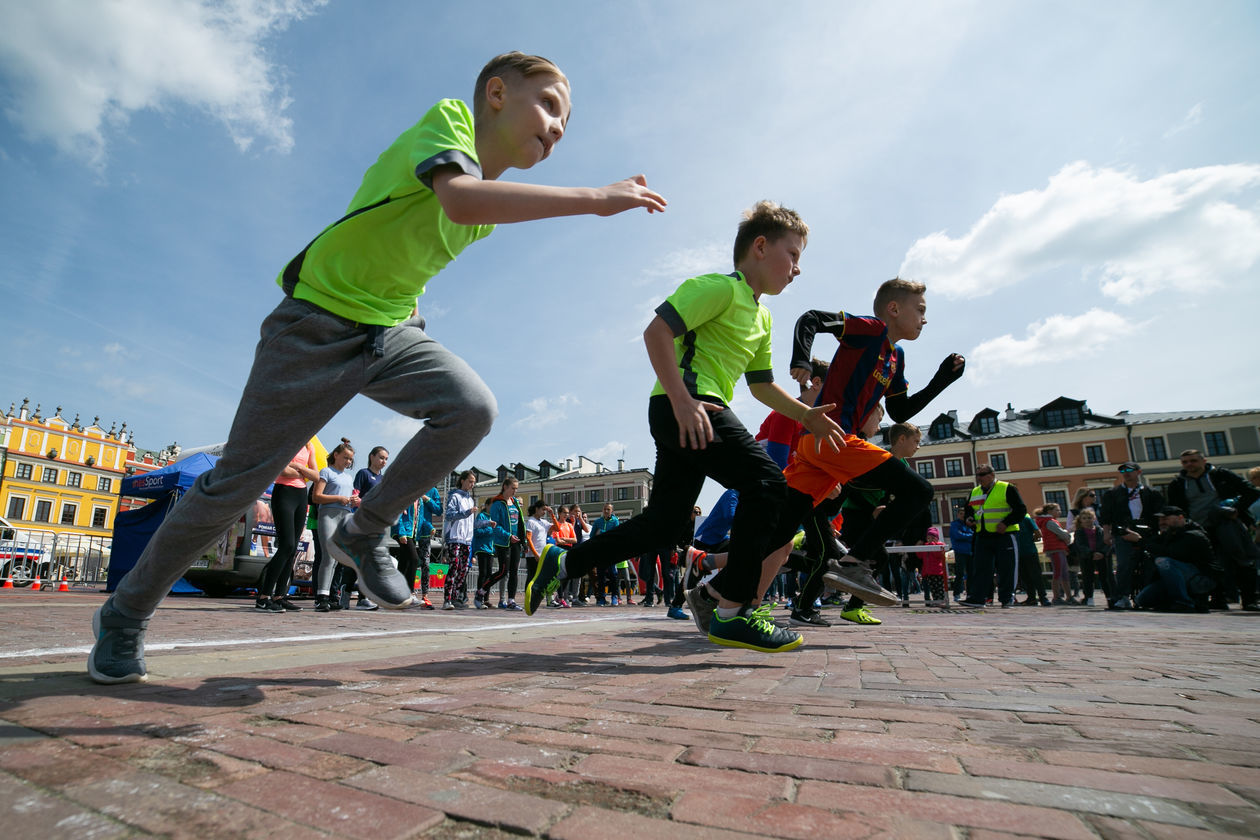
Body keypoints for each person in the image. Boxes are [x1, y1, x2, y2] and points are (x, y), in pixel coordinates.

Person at [88, 51, 666, 683]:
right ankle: (124, 615)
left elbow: (408, 249)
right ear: (496, 94)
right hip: (313, 327)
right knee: (231, 487)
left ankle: (364, 531)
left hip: (387, 333)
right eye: (550, 105)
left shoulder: (487, 215)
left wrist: (409, 317)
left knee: (471, 408)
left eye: (567, 120)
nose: (558, 127)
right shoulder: (449, 123)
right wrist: (596, 198)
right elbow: (462, 200)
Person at [525, 201, 845, 653]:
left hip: (697, 411)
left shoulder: (763, 316)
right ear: (759, 247)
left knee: (663, 527)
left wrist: (805, 415)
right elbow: (656, 332)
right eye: (793, 255)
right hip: (689, 406)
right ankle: (733, 609)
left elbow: (761, 385)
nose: (797, 269)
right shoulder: (717, 288)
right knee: (769, 486)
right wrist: (681, 399)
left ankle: (565, 561)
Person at [773, 277, 966, 615]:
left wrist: (942, 380)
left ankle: (713, 591)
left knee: (779, 530)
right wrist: (801, 358)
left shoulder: (896, 357)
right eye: (920, 310)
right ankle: (855, 562)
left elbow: (900, 410)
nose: (925, 318)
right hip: (833, 437)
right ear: (893, 309)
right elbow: (811, 319)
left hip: (820, 448)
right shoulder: (871, 329)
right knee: (919, 492)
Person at [1166, 449, 1260, 609]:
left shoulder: (1222, 475)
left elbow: (1251, 492)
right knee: (1210, 564)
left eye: (1193, 461)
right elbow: (1175, 508)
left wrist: (1236, 509)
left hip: (1227, 524)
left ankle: (1249, 600)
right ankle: (1218, 599)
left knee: (1241, 560)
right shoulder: (1178, 483)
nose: (1189, 464)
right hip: (1199, 529)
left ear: (1204, 460)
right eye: (1185, 462)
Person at [257, 439, 319, 612]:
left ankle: (279, 596)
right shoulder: (287, 442)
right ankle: (263, 597)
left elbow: (316, 476)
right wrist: (304, 472)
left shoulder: (309, 446)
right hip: (283, 492)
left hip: (301, 495)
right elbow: (282, 470)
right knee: (287, 545)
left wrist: (298, 468)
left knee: (293, 550)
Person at [1099, 462, 1164, 609]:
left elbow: (1160, 513)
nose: (1126, 473)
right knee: (1124, 564)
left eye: (1129, 470)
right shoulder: (1113, 493)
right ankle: (1121, 597)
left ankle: (1147, 596)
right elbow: (1106, 516)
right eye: (1123, 470)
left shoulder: (1150, 492)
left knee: (1149, 564)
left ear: (1138, 472)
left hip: (1147, 532)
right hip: (1123, 533)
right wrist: (1107, 534)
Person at [960, 464, 1027, 608]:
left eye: (982, 475)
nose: (979, 478)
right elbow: (969, 510)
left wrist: (1006, 523)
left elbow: (1020, 510)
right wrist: (969, 519)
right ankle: (978, 598)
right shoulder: (975, 491)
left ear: (991, 475)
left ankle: (1007, 598)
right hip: (982, 535)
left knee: (1007, 568)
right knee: (980, 568)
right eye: (977, 475)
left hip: (1005, 535)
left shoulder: (1007, 488)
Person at [1133, 506, 1217, 612]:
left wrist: (1141, 541)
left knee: (1163, 561)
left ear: (1181, 517)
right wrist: (1135, 537)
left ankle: (1184, 603)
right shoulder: (1170, 533)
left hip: (1200, 580)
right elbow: (1152, 543)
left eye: (1166, 519)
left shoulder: (1194, 535)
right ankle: (1175, 601)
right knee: (1141, 600)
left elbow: (1171, 553)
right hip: (1180, 578)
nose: (1162, 522)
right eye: (1160, 519)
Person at [310, 439, 359, 611]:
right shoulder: (326, 472)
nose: (347, 461)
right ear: (336, 455)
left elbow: (349, 500)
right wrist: (339, 498)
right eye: (345, 457)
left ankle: (330, 595)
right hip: (328, 515)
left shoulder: (348, 477)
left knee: (337, 559)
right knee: (328, 555)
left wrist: (354, 501)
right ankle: (320, 596)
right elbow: (317, 497)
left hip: (344, 516)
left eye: (350, 459)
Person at [488, 477, 527, 610]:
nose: (515, 491)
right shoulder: (497, 503)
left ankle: (511, 600)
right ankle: (482, 590)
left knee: (514, 572)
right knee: (503, 572)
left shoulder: (515, 502)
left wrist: (524, 542)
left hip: (515, 542)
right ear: (505, 487)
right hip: (503, 542)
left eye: (516, 489)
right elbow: (495, 526)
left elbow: (521, 522)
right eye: (513, 488)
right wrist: (508, 536)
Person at [443, 471, 477, 610]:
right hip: (455, 537)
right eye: (470, 481)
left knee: (463, 570)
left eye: (474, 482)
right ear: (462, 480)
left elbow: (471, 523)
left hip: (466, 539)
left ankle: (455, 597)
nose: (472, 484)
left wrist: (486, 523)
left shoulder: (470, 499)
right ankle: (447, 599)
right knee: (454, 567)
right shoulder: (455, 496)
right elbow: (449, 515)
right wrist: (466, 512)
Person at [1069, 508, 1109, 606]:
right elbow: (1080, 545)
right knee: (1088, 578)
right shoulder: (1079, 532)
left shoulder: (1100, 530)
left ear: (1094, 518)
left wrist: (1101, 553)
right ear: (1080, 520)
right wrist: (1091, 553)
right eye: (1084, 518)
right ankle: (1089, 597)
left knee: (1105, 577)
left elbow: (1105, 543)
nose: (1087, 520)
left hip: (1101, 556)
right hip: (1086, 557)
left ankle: (1109, 597)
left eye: (1089, 518)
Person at [1036, 503, 1073, 604]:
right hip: (1055, 549)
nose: (1059, 512)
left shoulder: (1050, 521)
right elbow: (1062, 534)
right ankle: (1057, 597)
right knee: (1058, 573)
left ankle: (1068, 596)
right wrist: (1067, 537)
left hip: (1058, 548)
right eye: (1057, 510)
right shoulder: (1050, 522)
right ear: (1049, 511)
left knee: (1063, 573)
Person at [1014, 512, 1049, 607]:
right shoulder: (1026, 518)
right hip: (1028, 551)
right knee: (1032, 576)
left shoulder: (1023, 519)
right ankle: (1039, 598)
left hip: (1022, 552)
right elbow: (1038, 534)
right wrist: (1030, 539)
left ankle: (1037, 597)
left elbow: (1038, 534)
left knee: (1029, 576)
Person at [948, 506, 974, 603]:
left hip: (970, 551)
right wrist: (970, 536)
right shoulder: (954, 524)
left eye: (964, 514)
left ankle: (970, 593)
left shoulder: (968, 524)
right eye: (961, 514)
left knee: (971, 573)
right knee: (959, 573)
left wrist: (968, 535)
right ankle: (957, 593)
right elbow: (958, 535)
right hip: (960, 551)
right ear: (958, 514)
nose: (963, 515)